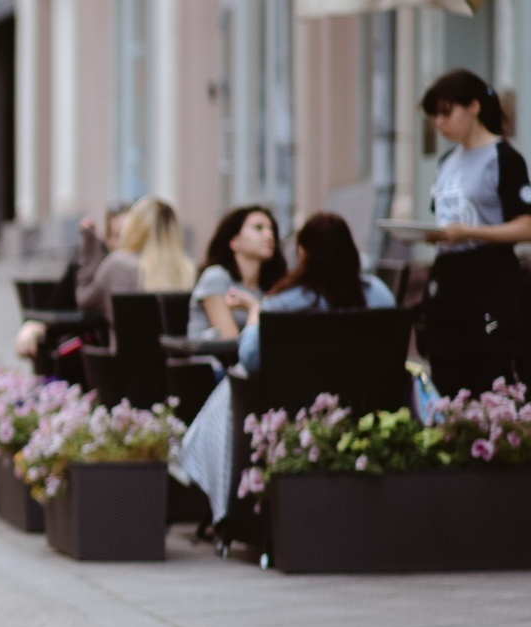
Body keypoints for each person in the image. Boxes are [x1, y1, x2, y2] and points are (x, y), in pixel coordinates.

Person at [173, 212, 395, 525]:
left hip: (293, 413)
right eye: (258, 228)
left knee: (232, 389)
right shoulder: (379, 294)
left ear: (302, 253)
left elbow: (251, 357)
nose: (269, 235)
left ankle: (228, 503)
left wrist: (255, 315)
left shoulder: (283, 301)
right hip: (367, 410)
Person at [413, 68, 531, 398]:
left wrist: (470, 232)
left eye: (447, 112)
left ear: (474, 107)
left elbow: (526, 225)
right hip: (447, 281)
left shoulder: (504, 158)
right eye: (435, 115)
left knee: (488, 374)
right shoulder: (446, 162)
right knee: (446, 373)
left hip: (487, 278)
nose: (440, 122)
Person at [74, 195, 194, 315]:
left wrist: (89, 246)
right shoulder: (186, 271)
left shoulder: (119, 264)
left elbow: (84, 301)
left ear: (134, 227)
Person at [190, 204, 283, 339]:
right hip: (211, 352)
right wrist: (253, 308)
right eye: (258, 228)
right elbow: (230, 340)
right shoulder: (216, 277)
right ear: (234, 241)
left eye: (271, 229)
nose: (269, 235)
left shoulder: (267, 286)